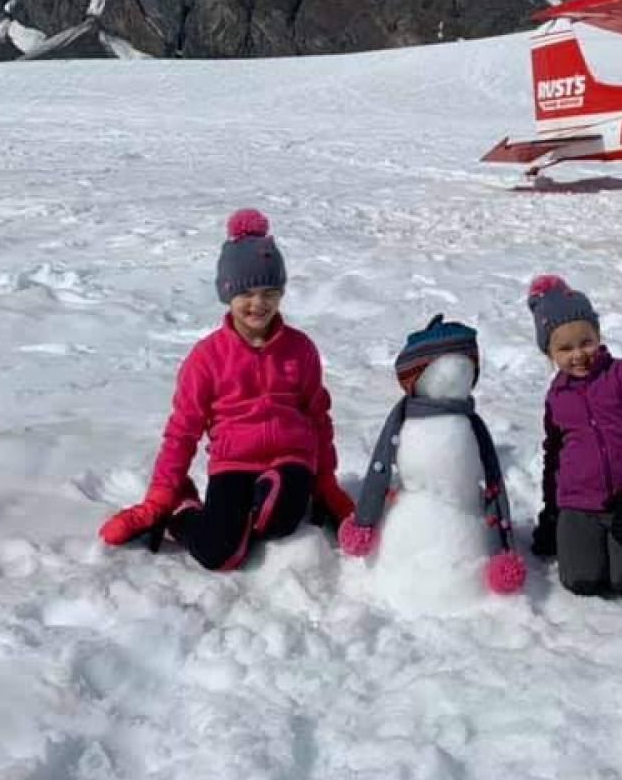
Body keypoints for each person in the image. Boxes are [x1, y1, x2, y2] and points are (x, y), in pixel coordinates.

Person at [98, 209, 354, 570]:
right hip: (234, 465)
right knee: (219, 555)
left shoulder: (301, 349)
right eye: (247, 293)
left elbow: (318, 418)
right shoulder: (207, 358)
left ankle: (270, 502)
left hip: (291, 462)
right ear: (227, 294)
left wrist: (326, 484)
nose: (258, 304)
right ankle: (182, 512)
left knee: (281, 506)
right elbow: (182, 432)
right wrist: (160, 497)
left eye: (269, 292)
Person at [337, 314, 527, 594]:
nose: (456, 378)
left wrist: (502, 548)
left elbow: (493, 481)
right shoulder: (405, 419)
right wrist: (365, 522)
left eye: (465, 369)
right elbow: (380, 468)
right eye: (444, 371)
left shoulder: (469, 422)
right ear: (417, 376)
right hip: (412, 519)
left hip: (463, 519)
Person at [528, 274, 622, 601]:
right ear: (549, 353)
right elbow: (555, 454)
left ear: (598, 335)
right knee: (580, 581)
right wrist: (552, 510)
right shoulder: (557, 395)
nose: (578, 354)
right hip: (579, 502)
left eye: (586, 341)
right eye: (565, 348)